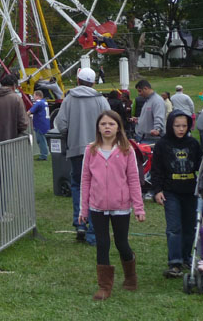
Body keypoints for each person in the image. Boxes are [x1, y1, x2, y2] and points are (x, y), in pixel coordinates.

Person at [79, 111, 145, 300]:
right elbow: (85, 180)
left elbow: (133, 179)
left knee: (121, 242)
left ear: (118, 127)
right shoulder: (90, 150)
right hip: (97, 206)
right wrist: (83, 209)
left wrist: (139, 208)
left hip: (121, 206)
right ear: (98, 128)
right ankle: (104, 286)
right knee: (102, 243)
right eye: (103, 124)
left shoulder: (126, 150)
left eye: (111, 124)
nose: (107, 127)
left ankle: (130, 276)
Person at [54, 67, 110, 245]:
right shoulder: (101, 100)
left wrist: (71, 134)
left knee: (78, 186)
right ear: (93, 82)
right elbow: (110, 123)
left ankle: (80, 224)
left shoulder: (69, 98)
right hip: (99, 151)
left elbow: (61, 123)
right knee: (96, 189)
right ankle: (93, 231)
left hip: (77, 150)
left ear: (78, 81)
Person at [151, 111, 202, 278]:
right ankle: (175, 262)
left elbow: (200, 167)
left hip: (190, 191)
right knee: (174, 227)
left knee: (190, 226)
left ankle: (187, 257)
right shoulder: (162, 144)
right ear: (171, 125)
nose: (181, 129)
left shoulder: (193, 144)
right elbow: (156, 169)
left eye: (184, 126)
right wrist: (157, 190)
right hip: (170, 190)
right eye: (177, 126)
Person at [132, 79, 165, 146]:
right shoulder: (148, 100)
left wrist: (157, 129)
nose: (139, 94)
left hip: (151, 139)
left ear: (146, 88)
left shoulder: (157, 100)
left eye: (140, 91)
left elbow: (159, 116)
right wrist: (138, 119)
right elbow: (147, 116)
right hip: (143, 137)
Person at [30, 90, 49, 161]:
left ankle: (43, 155)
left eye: (34, 95)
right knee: (42, 139)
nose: (33, 97)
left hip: (40, 124)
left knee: (41, 140)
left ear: (38, 96)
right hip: (45, 123)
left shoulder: (39, 102)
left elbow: (30, 111)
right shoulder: (45, 102)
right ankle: (44, 153)